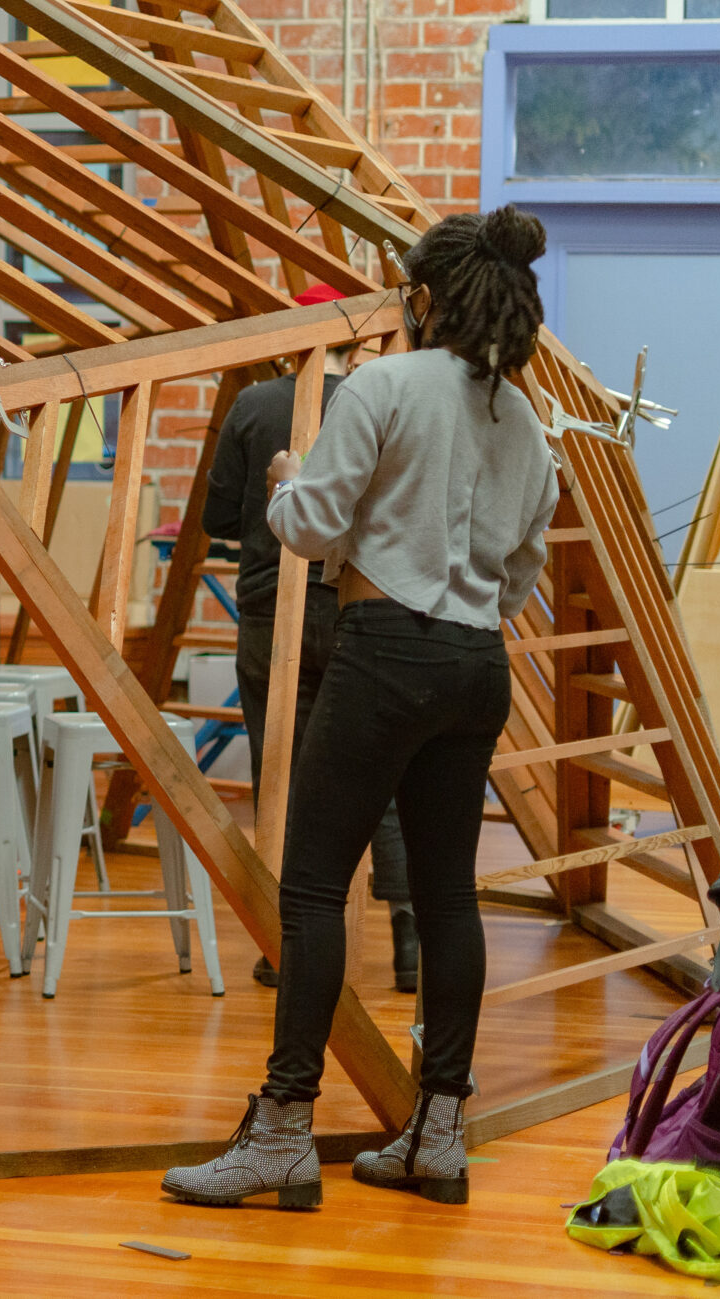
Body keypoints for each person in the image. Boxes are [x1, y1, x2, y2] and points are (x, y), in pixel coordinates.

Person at [163, 207, 558, 1211]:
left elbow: (309, 529)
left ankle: (283, 1132)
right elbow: (519, 578)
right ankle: (438, 1135)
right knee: (447, 899)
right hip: (477, 665)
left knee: (308, 891)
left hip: (383, 649)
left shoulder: (381, 384)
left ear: (423, 299)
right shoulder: (526, 423)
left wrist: (288, 478)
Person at [203, 283, 416, 994]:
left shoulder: (254, 405)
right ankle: (409, 939)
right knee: (379, 777)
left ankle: (286, 946)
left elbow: (218, 519)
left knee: (284, 781)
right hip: (359, 606)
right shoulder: (375, 397)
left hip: (270, 614)